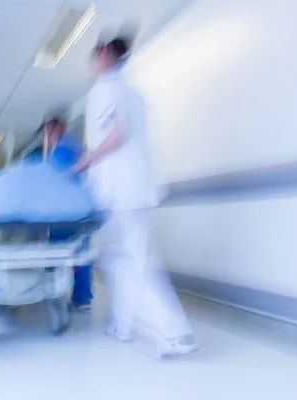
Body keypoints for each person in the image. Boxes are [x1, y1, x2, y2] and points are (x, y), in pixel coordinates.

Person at [72, 29, 198, 358]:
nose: (92, 65)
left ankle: (175, 333)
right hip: (136, 191)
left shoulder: (105, 89)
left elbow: (118, 131)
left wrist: (87, 159)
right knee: (117, 260)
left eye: (94, 58)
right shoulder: (133, 93)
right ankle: (122, 324)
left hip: (121, 193)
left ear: (104, 57)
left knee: (136, 261)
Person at [42, 106, 94, 312]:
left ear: (55, 130)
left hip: (65, 212)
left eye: (48, 131)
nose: (46, 136)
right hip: (80, 209)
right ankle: (82, 298)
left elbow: (55, 180)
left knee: (57, 252)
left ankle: (53, 294)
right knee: (81, 254)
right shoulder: (76, 145)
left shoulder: (62, 149)